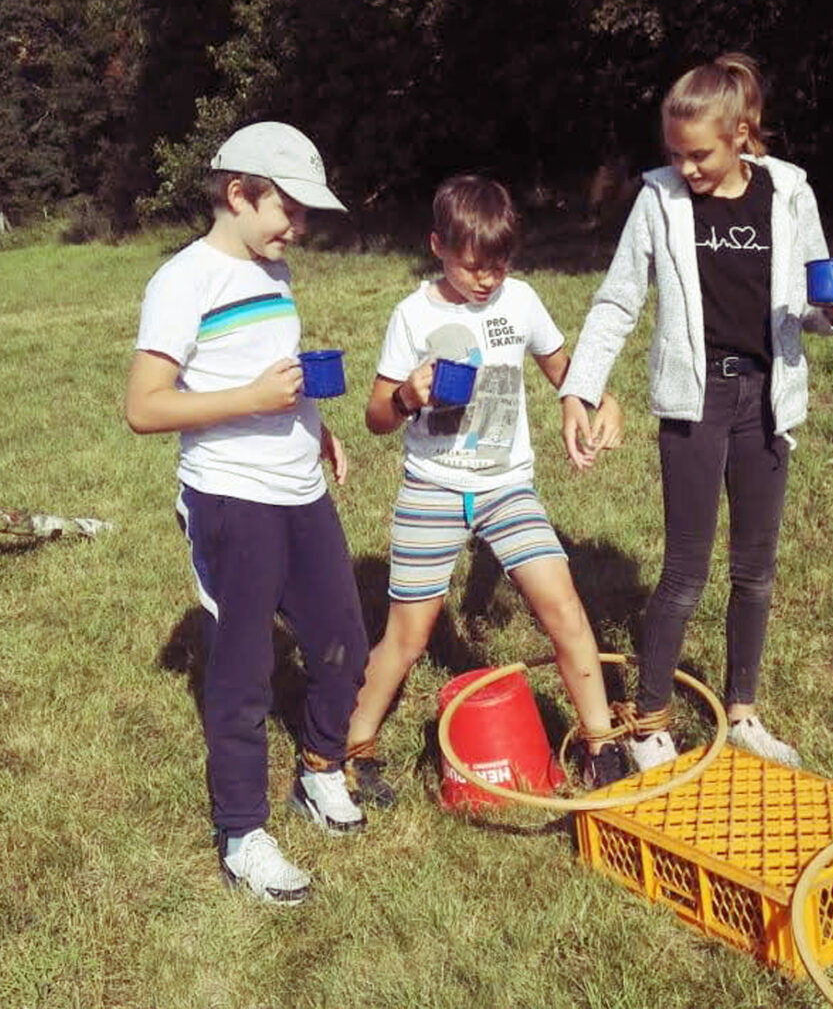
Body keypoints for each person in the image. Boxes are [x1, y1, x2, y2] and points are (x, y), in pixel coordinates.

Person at [560, 54, 833, 771]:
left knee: (755, 570)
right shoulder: (659, 201)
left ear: (742, 136)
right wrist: (578, 387)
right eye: (675, 154)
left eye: (700, 155)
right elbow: (616, 301)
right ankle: (651, 722)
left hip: (766, 396)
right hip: (696, 402)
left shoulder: (789, 194)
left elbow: (814, 309)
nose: (687, 168)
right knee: (686, 569)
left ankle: (744, 711)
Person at [125, 122, 369, 904]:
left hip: (300, 489)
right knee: (242, 670)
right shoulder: (183, 281)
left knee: (342, 641)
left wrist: (316, 429)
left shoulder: (277, 271)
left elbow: (277, 378)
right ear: (238, 194)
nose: (297, 228)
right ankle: (242, 832)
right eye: (288, 210)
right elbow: (144, 406)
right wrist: (254, 400)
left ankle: (321, 770)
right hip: (231, 497)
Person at [344, 174, 629, 807]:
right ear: (437, 245)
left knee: (563, 607)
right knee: (409, 636)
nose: (486, 280)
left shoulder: (520, 303)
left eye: (499, 266)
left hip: (507, 489)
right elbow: (374, 417)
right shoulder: (413, 315)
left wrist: (599, 399)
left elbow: (566, 373)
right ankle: (352, 746)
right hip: (432, 490)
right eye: (473, 266)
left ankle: (601, 742)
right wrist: (405, 396)